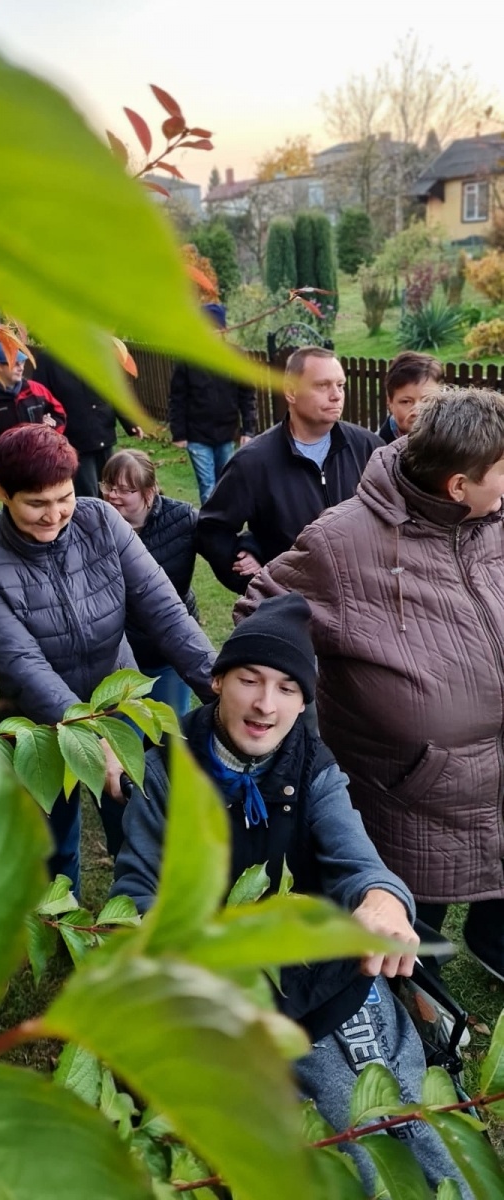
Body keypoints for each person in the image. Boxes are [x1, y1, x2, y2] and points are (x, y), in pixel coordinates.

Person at [111, 596, 469, 1196]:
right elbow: (134, 889)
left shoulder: (314, 767)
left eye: (285, 688)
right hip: (221, 985)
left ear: (304, 702)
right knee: (305, 1142)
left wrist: (382, 897)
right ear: (217, 680)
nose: (264, 704)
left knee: (394, 1115)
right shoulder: (163, 771)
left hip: (326, 976)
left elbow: (355, 858)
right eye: (249, 680)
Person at [235, 388, 504, 982]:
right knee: (411, 922)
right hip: (409, 789)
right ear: (458, 485)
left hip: (495, 774)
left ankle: (492, 943)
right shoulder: (343, 543)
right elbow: (261, 614)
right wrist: (286, 701)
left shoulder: (496, 520)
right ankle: (420, 1010)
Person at [0, 424, 216, 895]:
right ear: (1, 493)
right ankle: (64, 930)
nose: (55, 516)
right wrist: (93, 742)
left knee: (136, 822)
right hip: (33, 726)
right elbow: (21, 666)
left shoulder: (99, 520)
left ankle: (141, 921)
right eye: (36, 503)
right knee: (51, 840)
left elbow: (164, 609)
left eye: (64, 497)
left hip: (117, 702)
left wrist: (217, 688)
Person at [196, 346, 382, 593]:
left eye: (341, 385)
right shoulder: (253, 463)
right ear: (291, 392)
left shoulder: (369, 448)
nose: (336, 395)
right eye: (322, 385)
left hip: (365, 597)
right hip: (295, 607)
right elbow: (212, 530)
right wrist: (254, 576)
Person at [100, 449, 199, 717]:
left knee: (172, 730)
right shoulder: (94, 525)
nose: (112, 495)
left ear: (150, 491)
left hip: (167, 649)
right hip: (119, 655)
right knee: (124, 731)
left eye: (125, 490)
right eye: (108, 486)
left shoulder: (183, 518)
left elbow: (222, 541)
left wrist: (247, 550)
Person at [168, 303, 258, 504]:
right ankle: (210, 529)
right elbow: (178, 398)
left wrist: (248, 430)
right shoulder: (188, 359)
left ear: (223, 330)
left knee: (226, 482)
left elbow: (247, 395)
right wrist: (179, 433)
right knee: (207, 486)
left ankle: (227, 524)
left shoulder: (235, 356)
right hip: (197, 435)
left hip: (227, 433)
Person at [30, 347, 145, 497]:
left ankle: (111, 520)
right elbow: (40, 398)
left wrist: (129, 422)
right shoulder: (48, 360)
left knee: (112, 490)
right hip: (75, 441)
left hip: (103, 433)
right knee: (88, 495)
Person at [0, 342, 66, 509]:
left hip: (45, 467)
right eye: (15, 363)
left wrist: (50, 430)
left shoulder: (37, 391)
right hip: (13, 478)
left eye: (22, 363)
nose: (21, 367)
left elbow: (59, 413)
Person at [378, 351, 443, 444]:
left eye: (428, 400)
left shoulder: (458, 445)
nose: (417, 412)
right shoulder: (374, 449)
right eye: (406, 402)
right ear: (390, 402)